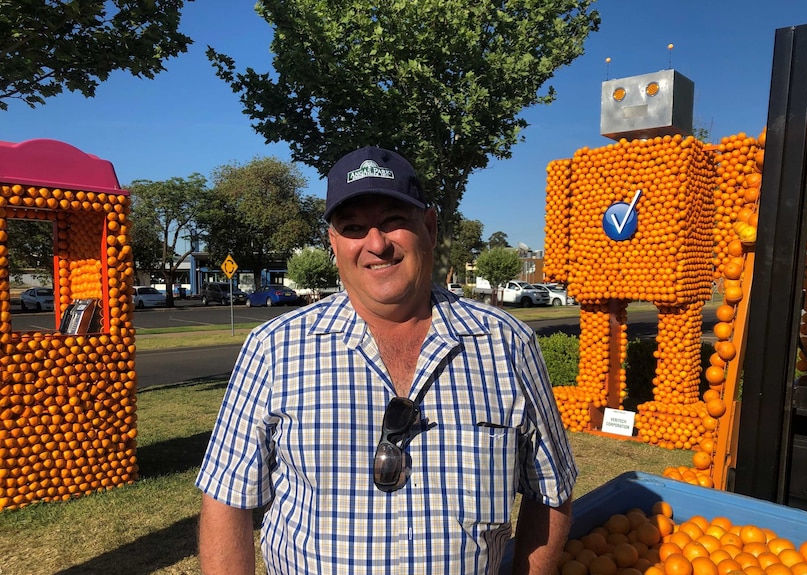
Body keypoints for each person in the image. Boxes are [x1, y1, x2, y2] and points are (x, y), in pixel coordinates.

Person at [196, 146, 577, 574]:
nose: (376, 244)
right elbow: (226, 500)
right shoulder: (273, 348)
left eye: (395, 221)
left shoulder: (507, 344)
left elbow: (550, 488)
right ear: (334, 243)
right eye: (354, 227)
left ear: (430, 228)